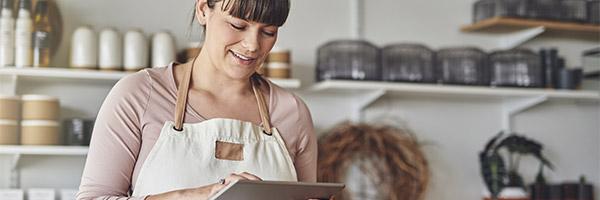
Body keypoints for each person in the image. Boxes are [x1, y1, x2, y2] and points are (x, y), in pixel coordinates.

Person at [76, 0, 317, 199]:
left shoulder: (292, 112)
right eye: (238, 25)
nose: (252, 45)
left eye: (268, 32)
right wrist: (199, 195)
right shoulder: (140, 94)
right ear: (203, 9)